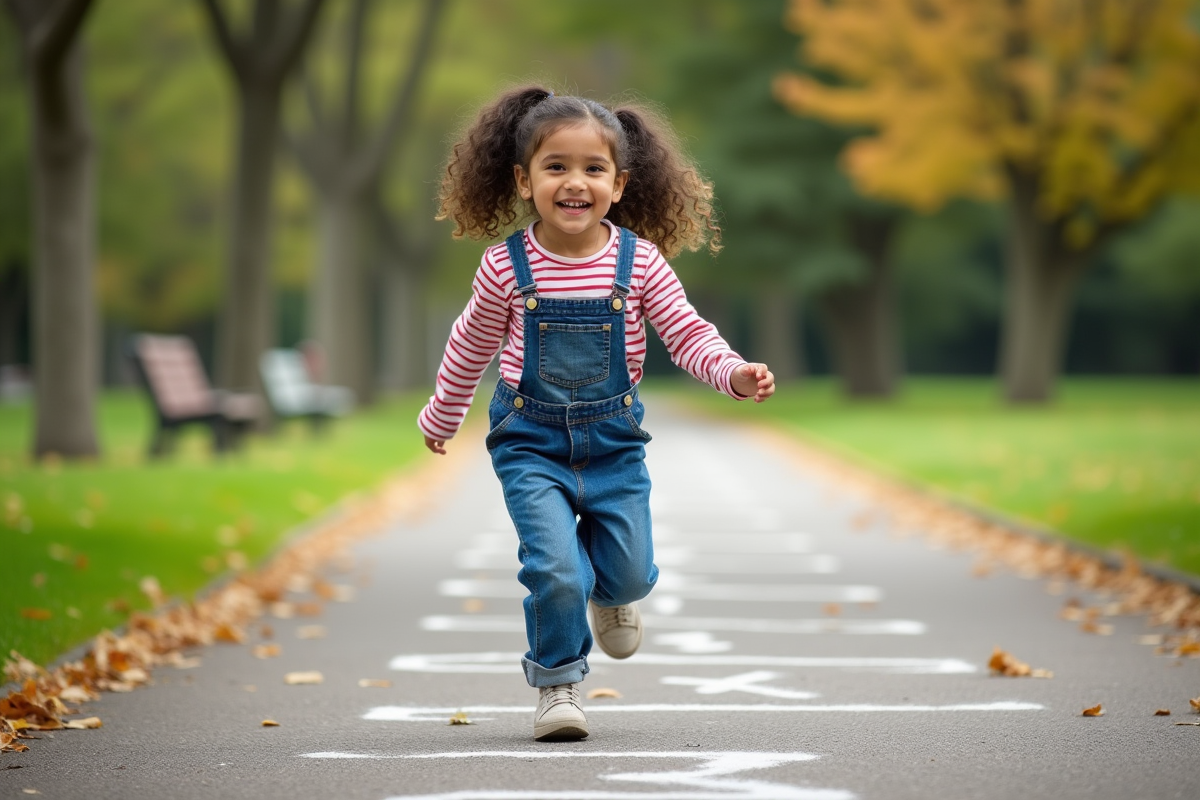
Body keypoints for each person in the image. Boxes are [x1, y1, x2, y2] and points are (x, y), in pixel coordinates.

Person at [418, 85, 775, 741]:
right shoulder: (504, 267)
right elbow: (470, 343)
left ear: (620, 182)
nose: (573, 182)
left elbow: (688, 334)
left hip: (613, 447)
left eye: (592, 168)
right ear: (524, 181)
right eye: (556, 167)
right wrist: (442, 415)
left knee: (630, 569)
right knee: (553, 569)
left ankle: (613, 595)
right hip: (530, 443)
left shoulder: (641, 264)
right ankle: (558, 684)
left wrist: (733, 373)